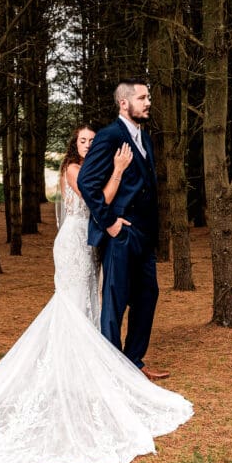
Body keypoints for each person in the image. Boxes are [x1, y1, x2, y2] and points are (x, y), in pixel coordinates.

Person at [0, 126, 192, 463]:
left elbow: (111, 203)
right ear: (74, 147)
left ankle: (84, 377)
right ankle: (67, 376)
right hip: (73, 245)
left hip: (90, 248)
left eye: (94, 140)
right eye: (83, 141)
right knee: (72, 308)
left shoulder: (94, 169)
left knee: (88, 307)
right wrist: (118, 172)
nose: (89, 145)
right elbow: (97, 202)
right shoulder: (74, 171)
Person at [77, 79, 168, 381]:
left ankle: (135, 362)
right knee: (115, 301)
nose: (148, 102)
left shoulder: (145, 137)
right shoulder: (109, 136)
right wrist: (110, 222)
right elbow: (87, 183)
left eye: (148, 97)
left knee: (147, 295)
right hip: (121, 234)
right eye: (142, 98)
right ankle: (112, 369)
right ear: (124, 103)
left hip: (145, 235)